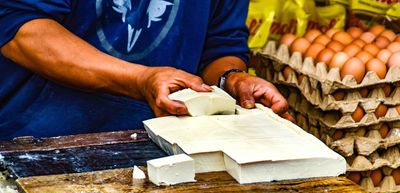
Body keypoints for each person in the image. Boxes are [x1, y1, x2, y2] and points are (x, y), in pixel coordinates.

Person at [0, 0, 290, 141]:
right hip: (38, 145)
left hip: (164, 150)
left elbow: (220, 44)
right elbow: (21, 31)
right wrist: (139, 79)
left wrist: (231, 79)